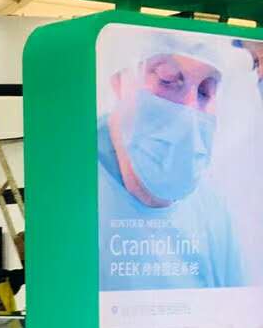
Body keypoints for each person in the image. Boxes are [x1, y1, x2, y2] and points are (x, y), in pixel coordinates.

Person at [97, 28, 246, 290]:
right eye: (168, 80)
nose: (189, 109)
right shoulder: (72, 185)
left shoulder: (211, 211)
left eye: (205, 91)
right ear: (121, 81)